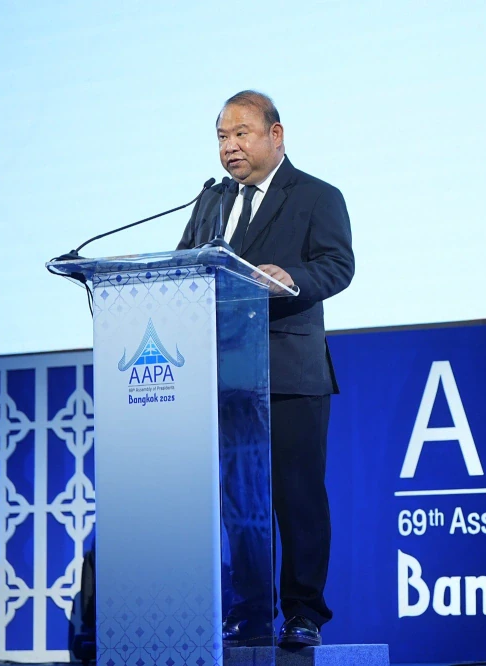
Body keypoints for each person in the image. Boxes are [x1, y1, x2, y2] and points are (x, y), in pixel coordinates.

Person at [176, 90, 354, 647]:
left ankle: (303, 613)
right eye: (222, 137)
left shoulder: (317, 196)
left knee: (296, 498)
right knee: (241, 504)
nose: (230, 147)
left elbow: (338, 265)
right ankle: (249, 613)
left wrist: (291, 278)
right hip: (226, 378)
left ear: (276, 135)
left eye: (241, 134)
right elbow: (183, 265)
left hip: (291, 371)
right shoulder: (211, 202)